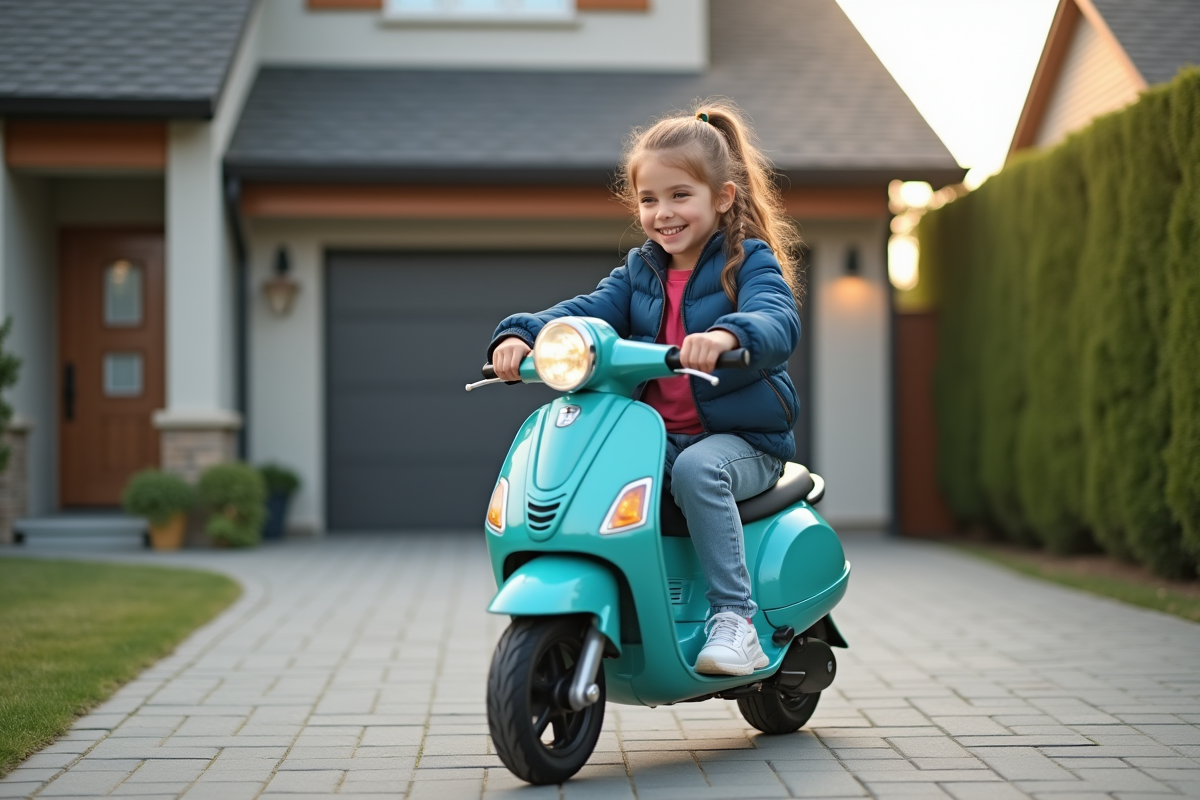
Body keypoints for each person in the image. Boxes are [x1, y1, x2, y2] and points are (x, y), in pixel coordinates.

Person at [487, 100, 803, 676]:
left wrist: (731, 334)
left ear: (722, 198)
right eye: (650, 199)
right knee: (595, 466)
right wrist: (522, 336)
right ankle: (633, 598)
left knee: (696, 472)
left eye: (680, 195)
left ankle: (735, 618)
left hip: (742, 440)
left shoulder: (747, 261)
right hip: (661, 435)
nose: (664, 212)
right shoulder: (641, 270)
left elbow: (777, 318)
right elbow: (583, 312)